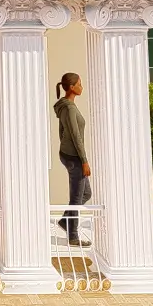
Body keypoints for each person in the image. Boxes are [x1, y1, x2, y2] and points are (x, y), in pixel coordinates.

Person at [53, 72, 91, 246]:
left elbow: (62, 131)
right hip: (74, 157)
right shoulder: (68, 108)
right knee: (76, 197)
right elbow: (76, 136)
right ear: (72, 87)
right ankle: (73, 237)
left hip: (69, 153)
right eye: (79, 84)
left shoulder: (66, 106)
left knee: (86, 193)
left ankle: (65, 221)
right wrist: (84, 161)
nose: (81, 87)